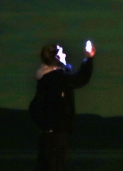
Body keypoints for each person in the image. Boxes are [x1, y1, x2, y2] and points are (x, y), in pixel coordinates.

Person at [31, 39, 95, 171]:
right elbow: (79, 79)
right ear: (54, 59)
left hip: (49, 135)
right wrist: (88, 59)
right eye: (61, 53)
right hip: (55, 136)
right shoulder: (55, 77)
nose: (65, 55)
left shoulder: (47, 78)